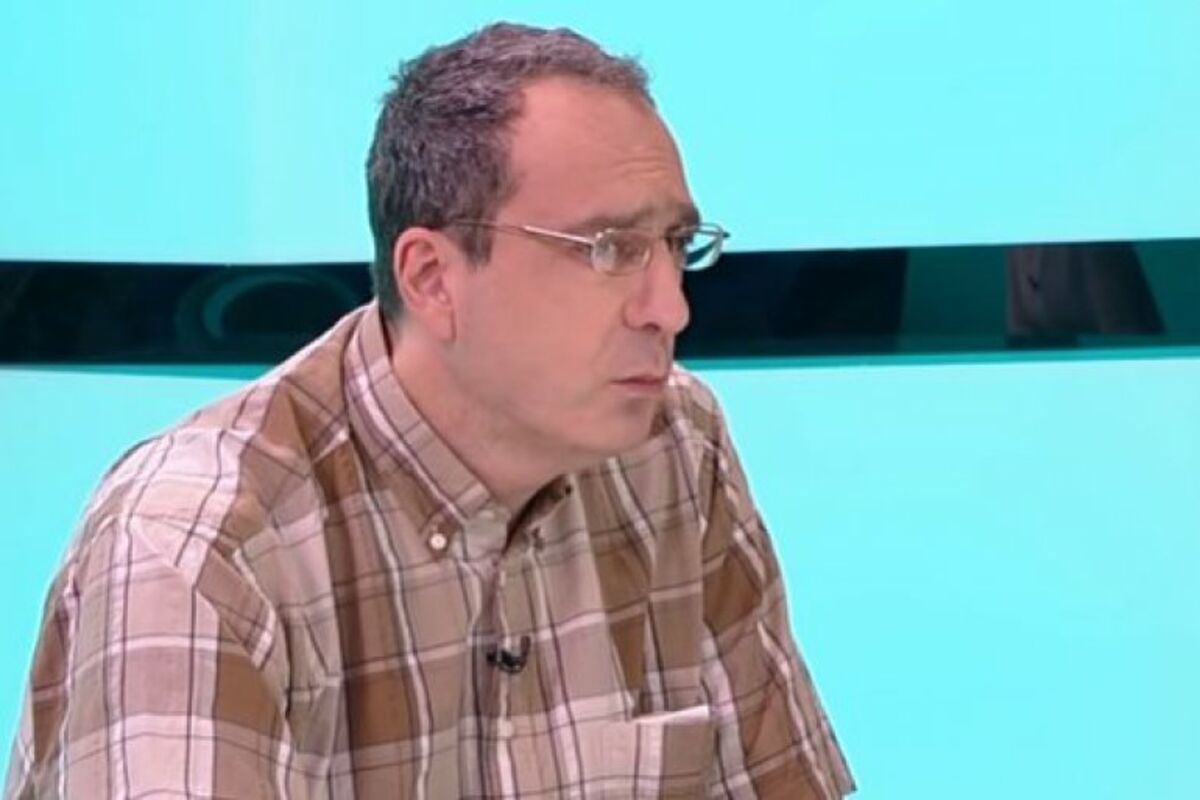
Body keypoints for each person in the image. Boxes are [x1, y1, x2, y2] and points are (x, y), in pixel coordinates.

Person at [6, 23, 853, 799]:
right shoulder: (195, 549)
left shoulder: (676, 446)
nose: (670, 308)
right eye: (610, 250)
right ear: (432, 278)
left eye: (674, 246)